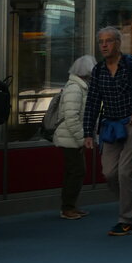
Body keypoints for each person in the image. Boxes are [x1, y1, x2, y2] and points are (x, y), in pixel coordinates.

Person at [82, 26, 132, 236]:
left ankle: (126, 221)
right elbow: (92, 102)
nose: (104, 45)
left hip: (131, 125)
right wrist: (88, 133)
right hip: (110, 127)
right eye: (101, 42)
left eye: (108, 41)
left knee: (125, 173)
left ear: (118, 43)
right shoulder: (98, 70)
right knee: (109, 173)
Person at [53, 55, 95, 220]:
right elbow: (72, 118)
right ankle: (67, 208)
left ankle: (70, 206)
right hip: (70, 138)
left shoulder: (77, 87)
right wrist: (82, 139)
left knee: (74, 172)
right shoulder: (76, 89)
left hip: (70, 137)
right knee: (76, 172)